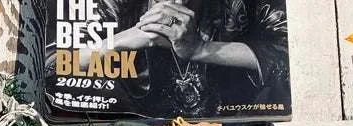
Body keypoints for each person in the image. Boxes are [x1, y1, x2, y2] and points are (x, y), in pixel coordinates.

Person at [46, 0, 290, 119]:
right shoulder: (110, 4)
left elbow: (288, 58)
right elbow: (48, 67)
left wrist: (199, 49)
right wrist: (130, 37)